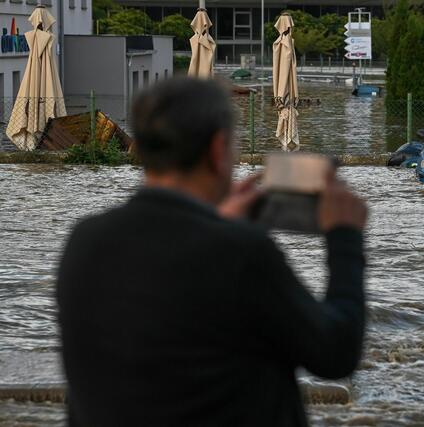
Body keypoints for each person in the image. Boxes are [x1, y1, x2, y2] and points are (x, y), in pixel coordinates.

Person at [56, 77, 368, 427]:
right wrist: (345, 236)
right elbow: (336, 352)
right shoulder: (242, 253)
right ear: (218, 150)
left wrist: (218, 222)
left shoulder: (84, 241)